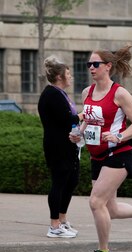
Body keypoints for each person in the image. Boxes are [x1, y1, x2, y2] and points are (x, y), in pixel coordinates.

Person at [70, 45, 132, 252]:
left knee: (95, 202)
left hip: (119, 154)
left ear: (108, 67)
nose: (91, 68)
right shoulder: (87, 92)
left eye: (95, 64)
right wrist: (78, 134)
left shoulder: (119, 93)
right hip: (97, 156)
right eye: (89, 64)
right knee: (109, 209)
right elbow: (89, 119)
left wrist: (119, 136)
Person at [38, 55, 83, 238]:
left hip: (69, 145)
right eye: (68, 74)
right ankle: (54, 225)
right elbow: (67, 119)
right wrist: (85, 114)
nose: (71, 77)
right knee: (59, 183)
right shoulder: (51, 94)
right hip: (57, 146)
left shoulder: (60, 94)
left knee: (71, 181)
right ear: (59, 77)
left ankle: (63, 220)